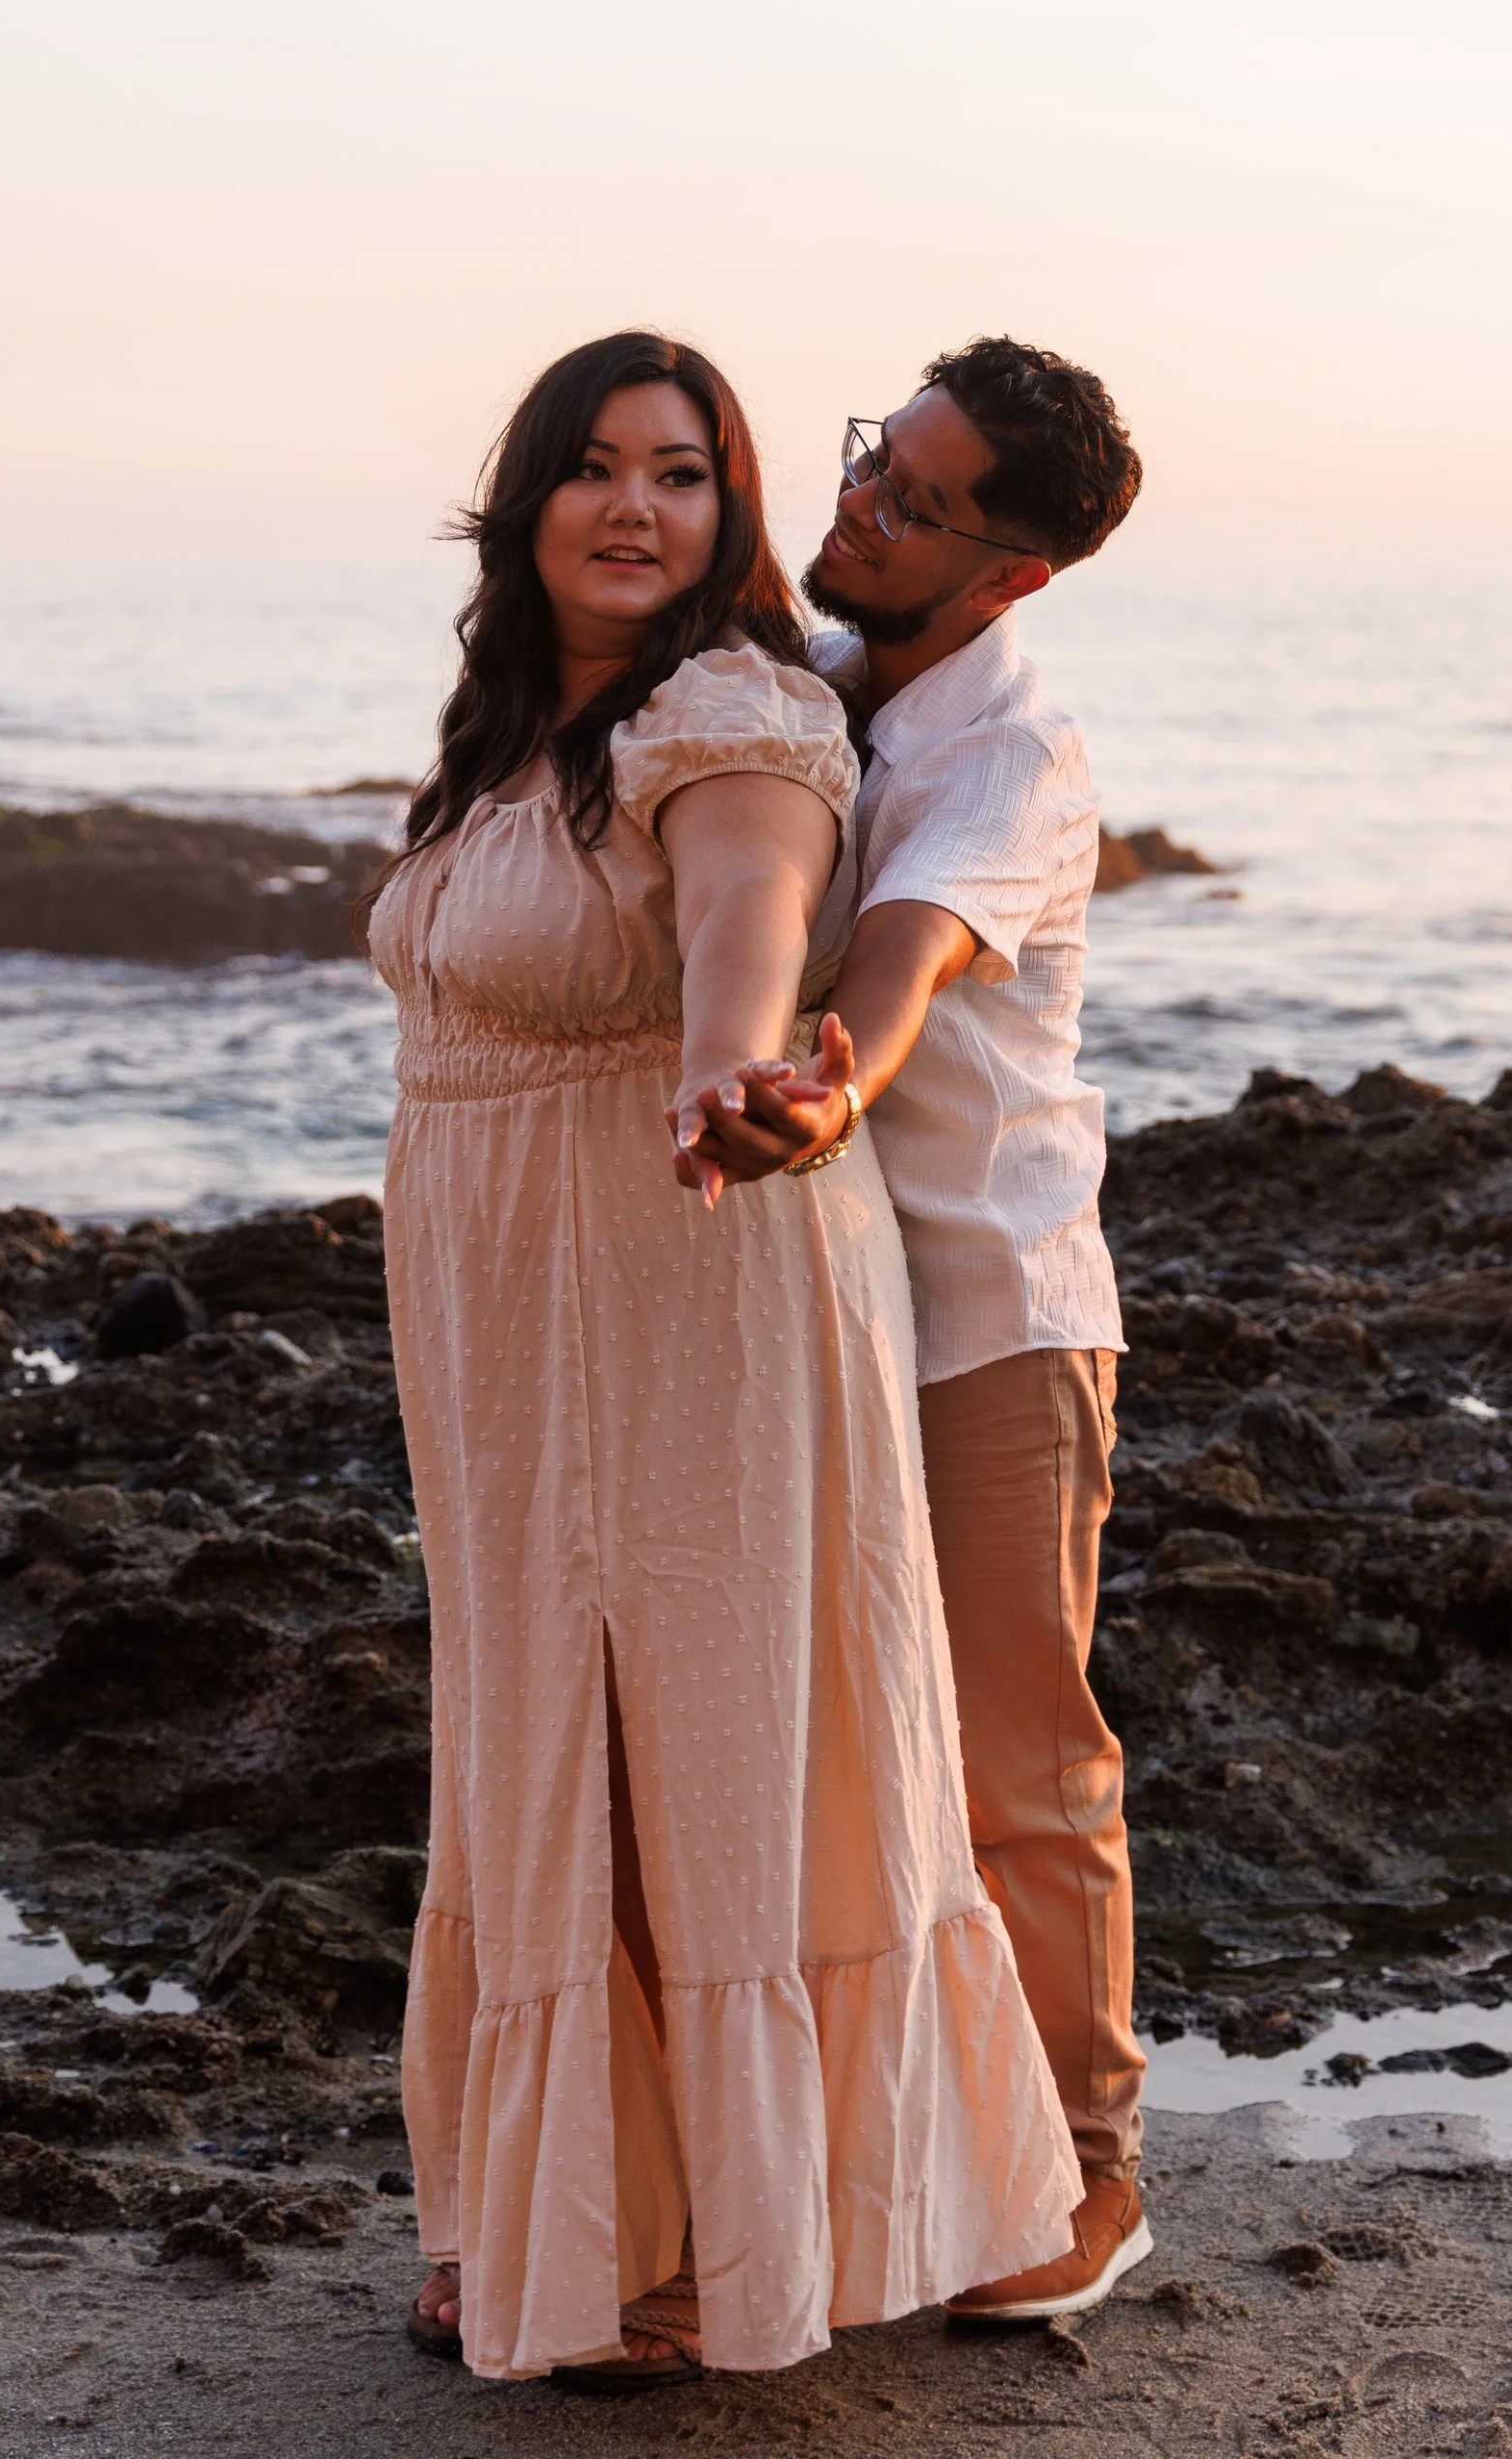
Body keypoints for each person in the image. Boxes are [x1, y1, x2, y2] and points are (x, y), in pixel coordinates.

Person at [367, 330, 1079, 2389]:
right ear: (525, 503)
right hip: (510, 1322)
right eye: (591, 468)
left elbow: (753, 917)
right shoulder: (512, 733)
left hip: (693, 1284)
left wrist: (734, 1070)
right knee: (537, 1739)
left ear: (723, 516)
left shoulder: (740, 709)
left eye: (678, 476)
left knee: (698, 1732)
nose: (630, 509)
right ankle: (557, 2211)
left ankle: (703, 2249)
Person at [683, 336, 1150, 2323]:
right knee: (848, 1755)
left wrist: (822, 1086)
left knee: (1018, 1768)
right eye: (882, 452)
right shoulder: (833, 676)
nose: (861, 496)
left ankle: (1090, 2177)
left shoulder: (1002, 750)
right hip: (826, 1311)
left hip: (988, 1324)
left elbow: (900, 962)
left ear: (1011, 576)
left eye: (917, 497)